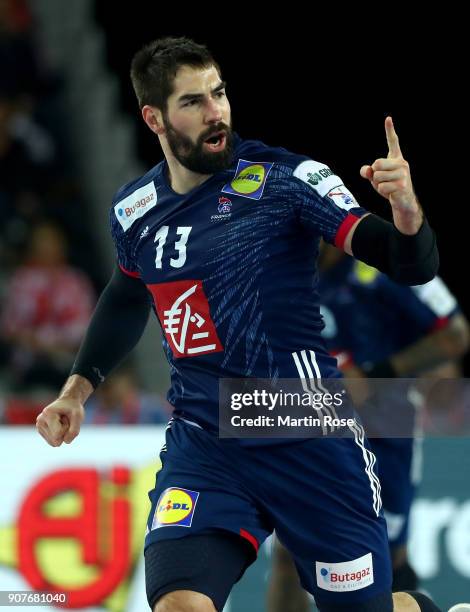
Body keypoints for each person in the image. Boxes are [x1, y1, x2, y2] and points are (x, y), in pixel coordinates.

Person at [36, 37, 442, 611]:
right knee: (179, 604)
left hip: (307, 431)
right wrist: (76, 391)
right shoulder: (136, 210)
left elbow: (409, 263)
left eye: (219, 93)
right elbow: (128, 295)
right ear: (154, 117)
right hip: (208, 440)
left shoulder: (283, 181)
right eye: (193, 102)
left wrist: (406, 215)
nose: (216, 112)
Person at [267, 248, 469, 612]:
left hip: (383, 433)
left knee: (383, 564)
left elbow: (455, 335)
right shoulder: (283, 270)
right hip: (315, 434)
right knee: (287, 554)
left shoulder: (382, 265)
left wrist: (376, 376)